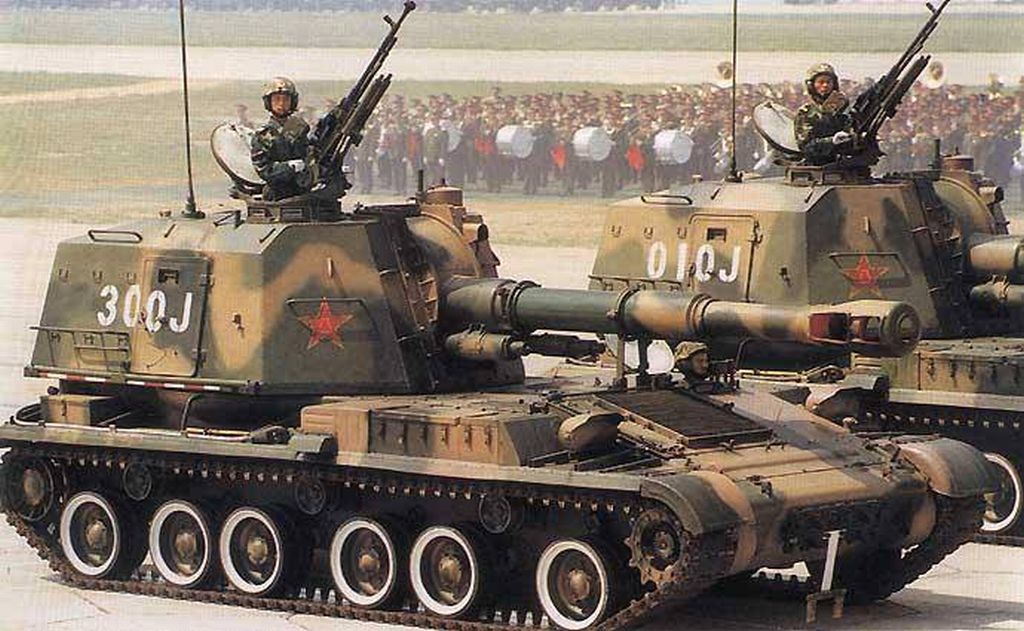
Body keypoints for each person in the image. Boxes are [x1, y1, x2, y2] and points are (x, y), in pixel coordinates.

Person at [250, 76, 313, 201]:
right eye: (276, 99)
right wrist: (288, 167)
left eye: (286, 99)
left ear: (292, 102)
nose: (281, 104)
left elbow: (308, 154)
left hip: (302, 189)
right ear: (269, 102)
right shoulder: (263, 135)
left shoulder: (300, 128)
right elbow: (264, 170)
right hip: (277, 194)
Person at [793, 63, 855, 166]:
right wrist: (832, 141)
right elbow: (806, 147)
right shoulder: (806, 112)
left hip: (843, 164)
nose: (825, 85)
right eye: (821, 82)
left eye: (828, 82)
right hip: (817, 165)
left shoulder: (842, 107)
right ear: (811, 85)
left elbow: (850, 130)